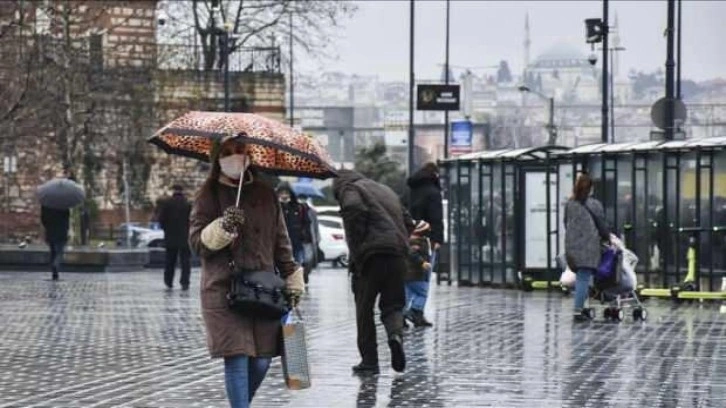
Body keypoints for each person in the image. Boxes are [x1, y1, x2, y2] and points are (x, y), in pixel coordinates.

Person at [188, 136, 305, 408]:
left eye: (239, 150)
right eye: (227, 152)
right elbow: (196, 243)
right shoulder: (208, 195)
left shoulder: (266, 194)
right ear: (217, 159)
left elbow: (281, 242)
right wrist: (223, 227)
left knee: (263, 360)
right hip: (224, 290)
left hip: (264, 290)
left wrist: (292, 278)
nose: (235, 156)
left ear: (249, 154)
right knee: (237, 357)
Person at [333, 169, 413, 375]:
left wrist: (358, 248)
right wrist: (401, 241)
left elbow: (353, 208)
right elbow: (408, 220)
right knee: (393, 304)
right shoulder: (384, 189)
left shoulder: (349, 188)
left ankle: (369, 361)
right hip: (397, 254)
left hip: (371, 257)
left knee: (364, 309)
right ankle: (395, 336)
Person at [564, 171, 609, 322]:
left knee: (581, 276)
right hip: (589, 245)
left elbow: (566, 223)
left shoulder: (570, 204)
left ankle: (583, 307)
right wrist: (607, 238)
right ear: (590, 188)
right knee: (583, 277)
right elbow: (602, 225)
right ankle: (578, 310)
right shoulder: (594, 204)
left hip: (572, 245)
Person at [405, 162, 443, 326]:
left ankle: (402, 311)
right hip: (426, 239)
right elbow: (436, 218)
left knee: (406, 277)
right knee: (424, 277)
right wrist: (437, 239)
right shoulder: (433, 193)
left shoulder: (409, 191)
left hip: (407, 237)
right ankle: (417, 311)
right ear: (434, 175)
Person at [157, 184, 193, 290]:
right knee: (185, 261)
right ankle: (185, 282)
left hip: (170, 237)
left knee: (169, 261)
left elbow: (161, 219)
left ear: (173, 191)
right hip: (185, 237)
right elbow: (192, 220)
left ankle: (168, 281)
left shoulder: (167, 204)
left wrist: (166, 230)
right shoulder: (187, 204)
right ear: (182, 191)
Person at [404, 220, 433, 328]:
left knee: (406, 295)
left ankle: (401, 316)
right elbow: (413, 254)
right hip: (417, 274)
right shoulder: (418, 241)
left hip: (407, 274)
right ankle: (415, 310)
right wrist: (423, 262)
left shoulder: (411, 239)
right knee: (422, 293)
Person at [276, 183, 311, 266]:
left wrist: (305, 237)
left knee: (298, 267)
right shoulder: (276, 208)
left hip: (297, 244)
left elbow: (306, 223)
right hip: (280, 245)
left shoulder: (299, 208)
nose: (284, 195)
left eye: (286, 193)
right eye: (282, 193)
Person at [41, 205, 70, 281]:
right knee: (59, 251)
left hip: (50, 231)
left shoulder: (46, 205)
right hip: (61, 231)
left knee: (53, 251)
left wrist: (48, 226)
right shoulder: (63, 204)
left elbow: (43, 219)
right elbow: (67, 218)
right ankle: (55, 265)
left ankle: (54, 272)